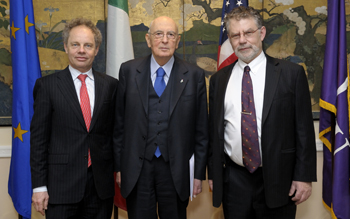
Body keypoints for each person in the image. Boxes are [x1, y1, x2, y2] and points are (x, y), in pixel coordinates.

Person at [208, 6, 316, 219]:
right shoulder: (218, 80)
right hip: (234, 181)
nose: (242, 40)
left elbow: (304, 130)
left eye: (248, 32)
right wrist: (214, 174)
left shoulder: (291, 74)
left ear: (262, 33)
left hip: (278, 180)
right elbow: (214, 133)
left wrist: (303, 177)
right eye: (235, 35)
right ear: (229, 39)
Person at [114, 16, 208, 219]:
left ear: (178, 40)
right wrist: (119, 168)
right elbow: (119, 126)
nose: (164, 40)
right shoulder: (128, 71)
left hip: (176, 170)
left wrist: (198, 173)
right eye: (159, 34)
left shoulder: (194, 75)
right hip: (137, 170)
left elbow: (202, 131)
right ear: (148, 39)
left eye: (170, 35)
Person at [30, 17, 118, 218]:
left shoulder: (111, 86)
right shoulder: (47, 86)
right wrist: (39, 187)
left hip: (100, 188)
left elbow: (116, 134)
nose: (81, 50)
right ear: (65, 47)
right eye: (75, 45)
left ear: (96, 50)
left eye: (88, 45)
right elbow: (38, 142)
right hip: (60, 188)